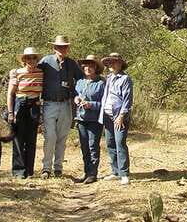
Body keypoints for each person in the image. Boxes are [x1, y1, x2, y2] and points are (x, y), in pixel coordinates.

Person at [38, 35, 83, 179]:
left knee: (62, 138)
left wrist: (77, 95)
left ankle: (58, 168)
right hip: (49, 104)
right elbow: (34, 75)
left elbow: (81, 80)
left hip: (65, 104)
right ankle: (46, 168)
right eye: (59, 47)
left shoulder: (71, 64)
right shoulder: (45, 62)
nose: (62, 49)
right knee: (50, 136)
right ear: (54, 48)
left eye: (64, 47)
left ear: (68, 48)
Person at [6, 47, 43, 178]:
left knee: (31, 139)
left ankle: (29, 171)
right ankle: (18, 171)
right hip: (20, 105)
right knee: (18, 139)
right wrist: (11, 112)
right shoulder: (17, 73)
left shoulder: (41, 72)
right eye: (28, 58)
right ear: (24, 59)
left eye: (34, 57)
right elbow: (10, 94)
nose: (31, 60)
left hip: (34, 106)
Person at [99, 52, 133, 185]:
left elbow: (127, 100)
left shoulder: (125, 79)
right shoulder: (108, 78)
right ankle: (115, 171)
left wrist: (121, 116)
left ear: (120, 64)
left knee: (120, 143)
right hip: (107, 115)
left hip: (119, 116)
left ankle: (124, 173)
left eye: (114, 62)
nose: (111, 64)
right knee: (110, 143)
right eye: (109, 62)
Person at [73, 55, 105, 184]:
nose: (88, 68)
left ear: (96, 68)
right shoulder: (80, 82)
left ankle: (93, 173)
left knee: (93, 146)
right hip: (81, 118)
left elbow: (105, 103)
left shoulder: (101, 83)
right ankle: (86, 173)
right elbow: (76, 95)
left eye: (91, 66)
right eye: (86, 65)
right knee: (84, 146)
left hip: (94, 120)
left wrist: (91, 105)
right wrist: (76, 99)